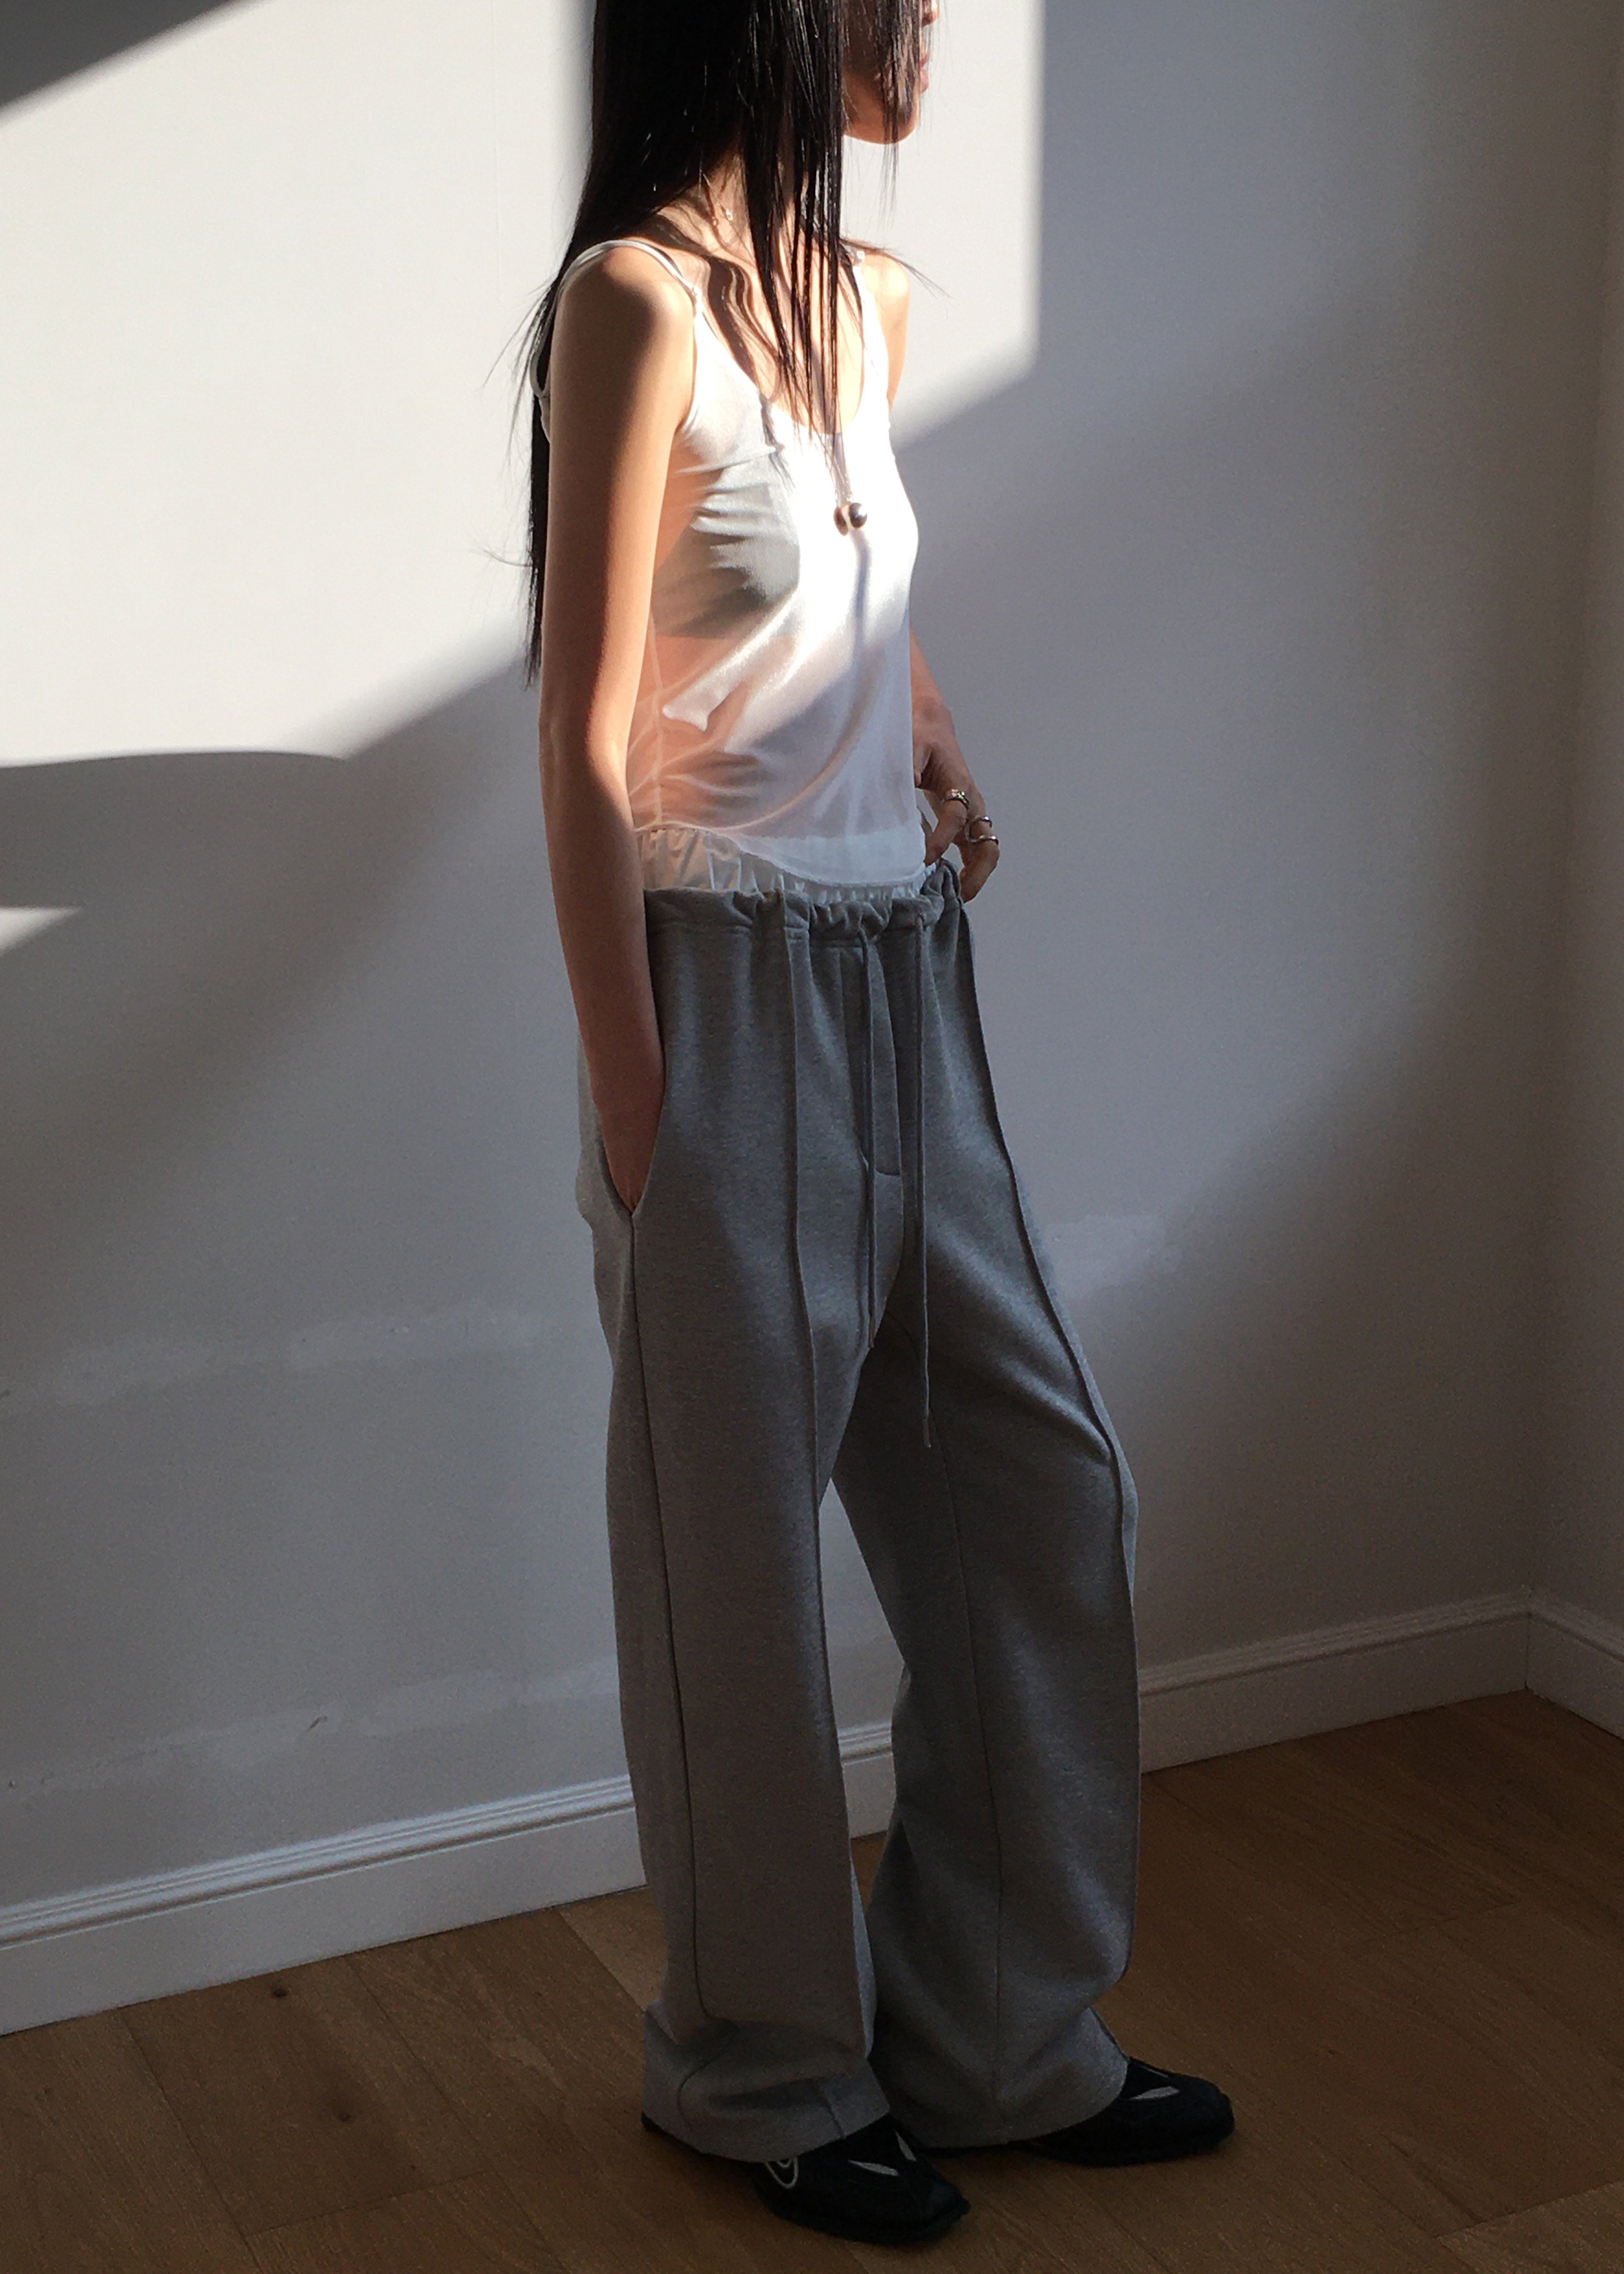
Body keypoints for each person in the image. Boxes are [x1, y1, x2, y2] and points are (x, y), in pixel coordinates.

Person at [523, 0, 1233, 2246]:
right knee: (731, 1579)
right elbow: (581, 727)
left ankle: (1002, 2038)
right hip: (718, 994)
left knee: (1041, 1496)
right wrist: (638, 1095)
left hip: (906, 975)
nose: (928, 16)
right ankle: (760, 2073)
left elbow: (834, 575)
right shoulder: (634, 301)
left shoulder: (866, 305)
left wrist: (925, 732)